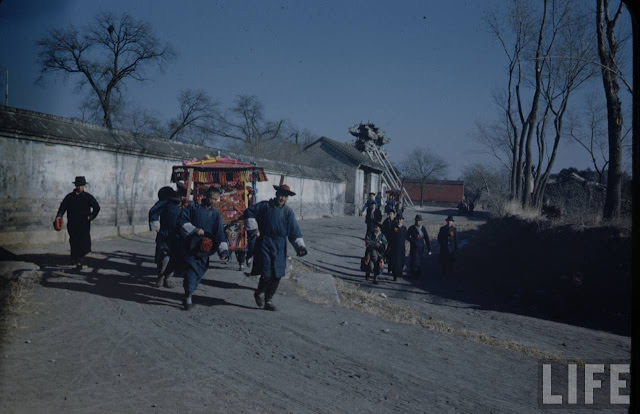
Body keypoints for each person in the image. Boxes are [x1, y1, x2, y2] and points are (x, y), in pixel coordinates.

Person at [244, 183, 307, 311]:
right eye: (280, 195)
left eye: (285, 196)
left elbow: (294, 231)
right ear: (276, 194)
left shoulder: (288, 212)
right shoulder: (265, 206)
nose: (282, 198)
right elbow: (249, 212)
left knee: (277, 274)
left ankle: (268, 300)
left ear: (287, 198)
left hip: (280, 245)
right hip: (265, 243)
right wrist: (254, 228)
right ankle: (259, 292)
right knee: (266, 273)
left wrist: (300, 246)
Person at [175, 186, 229, 310]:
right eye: (212, 198)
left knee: (200, 270)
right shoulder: (193, 207)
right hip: (191, 246)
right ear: (206, 196)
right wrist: (194, 229)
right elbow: (181, 220)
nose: (214, 201)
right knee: (191, 270)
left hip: (205, 249)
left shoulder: (215, 214)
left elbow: (219, 232)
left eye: (216, 199)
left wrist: (223, 250)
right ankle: (188, 297)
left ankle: (189, 291)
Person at [55, 176, 100, 270]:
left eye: (81, 185)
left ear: (84, 186)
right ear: (75, 185)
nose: (80, 187)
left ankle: (80, 261)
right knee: (74, 241)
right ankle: (74, 259)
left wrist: (91, 216)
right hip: (72, 224)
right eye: (78, 185)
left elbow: (97, 207)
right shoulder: (69, 197)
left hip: (84, 224)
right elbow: (62, 207)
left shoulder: (88, 197)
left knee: (83, 242)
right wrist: (59, 216)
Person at [148, 186, 181, 288]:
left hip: (176, 236)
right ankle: (160, 277)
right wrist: (156, 225)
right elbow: (153, 212)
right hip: (165, 235)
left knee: (174, 258)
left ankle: (168, 278)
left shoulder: (181, 204)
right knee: (163, 257)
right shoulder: (164, 203)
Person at [388, 215, 408, 281]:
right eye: (398, 219)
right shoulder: (394, 228)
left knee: (401, 261)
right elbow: (390, 237)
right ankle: (395, 275)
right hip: (395, 247)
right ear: (397, 220)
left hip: (402, 247)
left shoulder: (404, 228)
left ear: (402, 220)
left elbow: (407, 237)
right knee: (395, 262)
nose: (400, 221)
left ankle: (399, 273)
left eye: (401, 219)